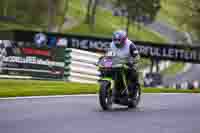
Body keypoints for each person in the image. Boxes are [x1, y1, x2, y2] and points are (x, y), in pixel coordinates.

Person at [105, 30, 140, 100]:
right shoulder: (111, 45)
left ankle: (133, 93)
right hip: (116, 64)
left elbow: (137, 56)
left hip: (127, 64)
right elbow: (108, 55)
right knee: (105, 71)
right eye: (115, 40)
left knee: (133, 74)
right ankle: (108, 89)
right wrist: (107, 64)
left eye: (119, 40)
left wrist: (133, 62)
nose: (117, 43)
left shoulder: (130, 45)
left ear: (124, 40)